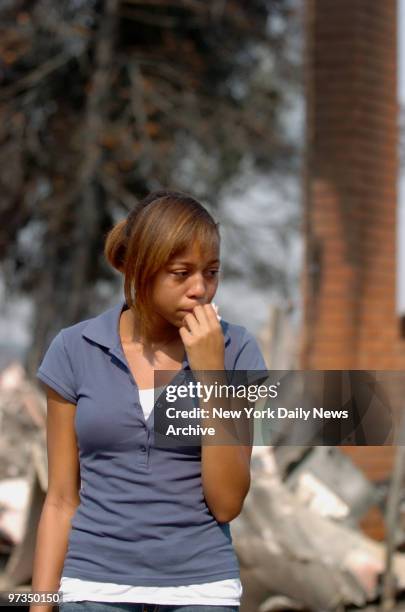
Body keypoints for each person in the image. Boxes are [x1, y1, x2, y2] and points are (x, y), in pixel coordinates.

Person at [30, 190, 268, 612]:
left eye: (211, 272)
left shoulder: (236, 349)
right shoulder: (74, 349)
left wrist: (211, 371)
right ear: (140, 270)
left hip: (202, 590)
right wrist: (41, 605)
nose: (201, 289)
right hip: (92, 588)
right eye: (182, 273)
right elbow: (62, 499)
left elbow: (228, 502)